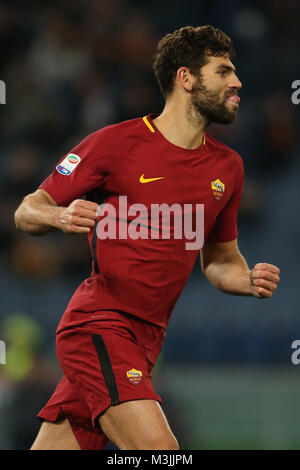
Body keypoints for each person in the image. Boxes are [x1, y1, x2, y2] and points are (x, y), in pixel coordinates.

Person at [14, 25, 280, 450]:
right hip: (99, 327)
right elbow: (27, 209)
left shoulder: (228, 168)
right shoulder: (115, 143)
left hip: (146, 343)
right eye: (224, 71)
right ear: (186, 79)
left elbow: (220, 260)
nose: (237, 82)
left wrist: (245, 280)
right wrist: (60, 216)